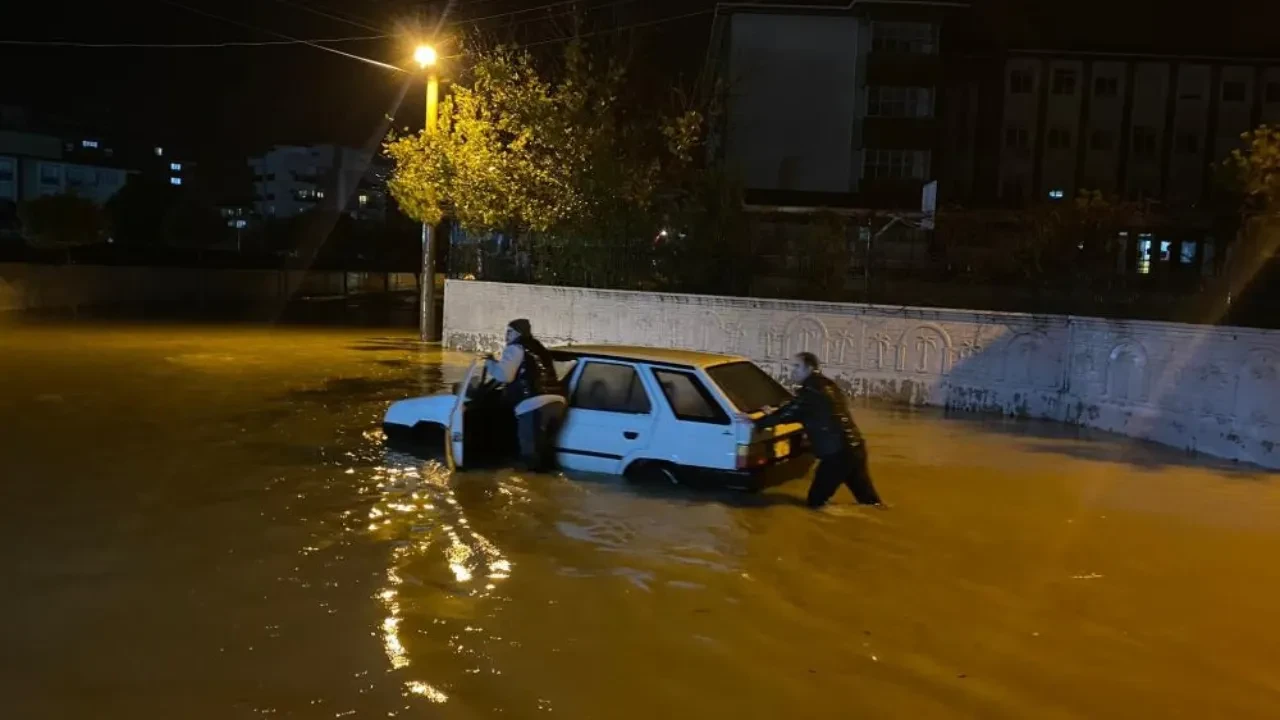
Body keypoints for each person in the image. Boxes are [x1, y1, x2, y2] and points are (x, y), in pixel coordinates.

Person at [752, 352, 884, 509]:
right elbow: (798, 407)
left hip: (837, 455)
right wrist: (776, 411)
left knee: (815, 504)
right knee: (869, 501)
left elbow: (791, 412)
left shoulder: (811, 391)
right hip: (855, 448)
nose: (792, 371)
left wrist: (757, 422)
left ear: (809, 368)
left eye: (797, 366)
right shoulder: (826, 385)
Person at [485, 319, 566, 471]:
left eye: (509, 332)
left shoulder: (515, 348)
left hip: (533, 403)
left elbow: (504, 376)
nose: (506, 336)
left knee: (530, 453)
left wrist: (490, 363)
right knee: (546, 449)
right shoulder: (540, 348)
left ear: (518, 333)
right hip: (557, 402)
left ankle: (532, 479)